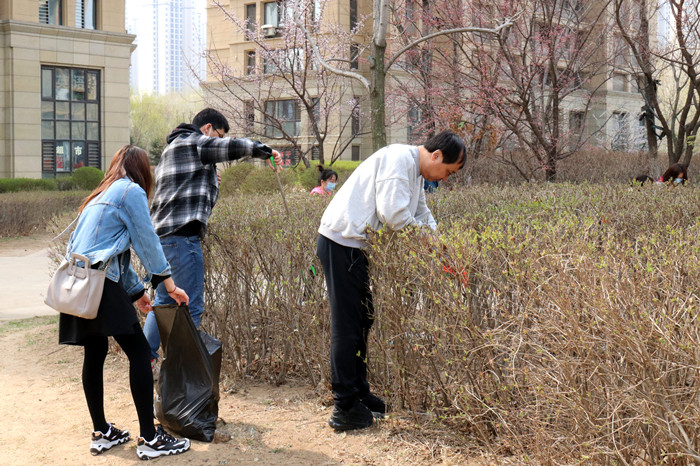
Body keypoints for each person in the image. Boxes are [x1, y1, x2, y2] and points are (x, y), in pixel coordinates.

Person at [316, 130, 466, 431]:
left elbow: (421, 212)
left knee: (363, 319)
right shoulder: (399, 160)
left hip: (354, 247)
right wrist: (429, 245)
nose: (444, 178)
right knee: (348, 326)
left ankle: (359, 393)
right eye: (448, 172)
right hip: (341, 244)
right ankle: (344, 407)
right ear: (436, 156)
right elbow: (394, 215)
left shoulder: (413, 170)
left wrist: (440, 246)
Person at [58, 145, 191, 460]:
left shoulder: (98, 195)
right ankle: (150, 439)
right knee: (141, 352)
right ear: (142, 170)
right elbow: (147, 241)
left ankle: (101, 432)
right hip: (102, 285)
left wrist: (135, 293)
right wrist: (169, 284)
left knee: (95, 352)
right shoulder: (131, 191)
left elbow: (109, 252)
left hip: (79, 283)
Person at [145, 108, 283, 365]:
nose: (219, 140)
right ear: (207, 128)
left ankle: (145, 361)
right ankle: (183, 374)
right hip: (182, 242)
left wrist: (210, 181)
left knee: (164, 304)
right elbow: (230, 147)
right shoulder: (194, 142)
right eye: (218, 135)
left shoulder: (171, 149)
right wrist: (264, 150)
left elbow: (194, 201)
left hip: (162, 242)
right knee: (189, 307)